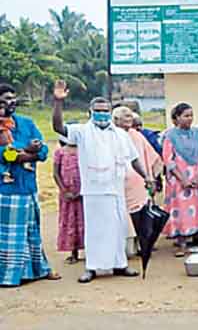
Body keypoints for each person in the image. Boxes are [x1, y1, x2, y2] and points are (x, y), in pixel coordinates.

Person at [53, 81, 152, 283]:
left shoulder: (121, 135)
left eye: (105, 110)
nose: (102, 114)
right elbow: (58, 127)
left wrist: (147, 177)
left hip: (116, 189)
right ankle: (92, 267)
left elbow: (133, 160)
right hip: (93, 190)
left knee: (118, 228)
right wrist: (58, 102)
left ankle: (120, 265)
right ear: (90, 112)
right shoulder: (81, 132)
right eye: (97, 111)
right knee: (95, 230)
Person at [0, 84, 59, 286]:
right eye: (6, 99)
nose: (11, 103)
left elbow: (43, 152)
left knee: (31, 231)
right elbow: (5, 156)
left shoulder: (26, 123)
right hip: (6, 189)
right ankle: (10, 275)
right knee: (8, 235)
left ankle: (37, 270)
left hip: (28, 187)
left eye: (13, 98)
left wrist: (23, 154)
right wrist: (24, 151)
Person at [162, 103, 198, 256]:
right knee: (182, 209)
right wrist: (182, 178)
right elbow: (168, 159)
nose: (189, 119)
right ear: (177, 118)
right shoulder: (170, 136)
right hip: (179, 180)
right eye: (186, 115)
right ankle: (182, 242)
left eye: (191, 115)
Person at [113, 106, 163, 257]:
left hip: (139, 182)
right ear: (115, 120)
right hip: (119, 183)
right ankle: (124, 248)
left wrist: (151, 177)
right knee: (122, 215)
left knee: (141, 214)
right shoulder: (112, 136)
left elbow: (151, 156)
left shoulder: (137, 135)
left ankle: (142, 244)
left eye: (130, 117)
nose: (129, 120)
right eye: (125, 117)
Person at [54, 134, 84, 264]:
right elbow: (55, 173)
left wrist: (82, 191)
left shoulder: (84, 151)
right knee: (70, 221)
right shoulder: (60, 152)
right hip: (66, 195)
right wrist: (64, 190)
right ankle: (73, 252)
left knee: (85, 221)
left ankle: (91, 252)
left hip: (83, 194)